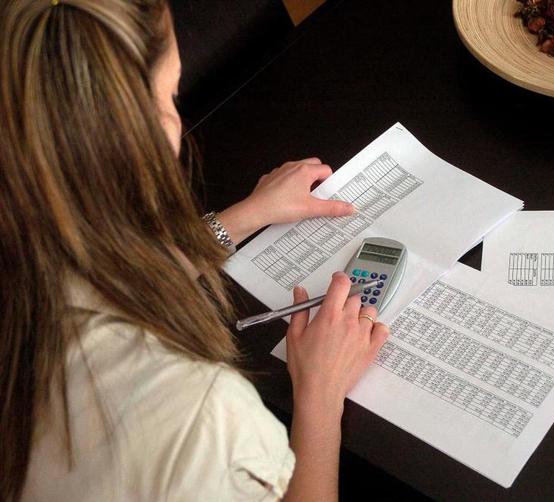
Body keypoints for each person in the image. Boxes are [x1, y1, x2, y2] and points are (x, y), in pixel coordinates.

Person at [0, 1, 389, 500]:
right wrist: (320, 396)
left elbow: (94, 283)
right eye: (172, 93)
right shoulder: (200, 415)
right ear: (146, 131)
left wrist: (244, 217)